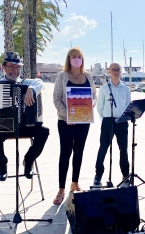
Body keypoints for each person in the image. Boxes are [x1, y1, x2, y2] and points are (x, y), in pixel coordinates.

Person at [0, 51, 50, 182]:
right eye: (11, 66)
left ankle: (28, 161)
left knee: (44, 132)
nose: (14, 70)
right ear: (4, 67)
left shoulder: (27, 82)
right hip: (4, 127)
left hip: (25, 125)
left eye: (17, 67)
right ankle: (2, 166)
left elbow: (40, 82)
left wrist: (31, 89)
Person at [53, 47, 97, 205]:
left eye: (79, 56)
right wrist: (67, 116)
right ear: (69, 59)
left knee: (79, 151)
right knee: (65, 152)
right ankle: (61, 189)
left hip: (83, 122)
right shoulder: (62, 76)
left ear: (82, 59)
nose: (77, 59)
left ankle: (75, 182)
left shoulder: (88, 76)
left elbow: (93, 95)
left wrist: (91, 103)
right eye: (74, 57)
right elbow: (56, 99)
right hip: (65, 122)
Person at [93, 62, 131, 187]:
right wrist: (105, 120)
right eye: (113, 69)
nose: (115, 72)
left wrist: (124, 118)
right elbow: (99, 107)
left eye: (118, 70)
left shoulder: (126, 89)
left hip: (122, 122)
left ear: (120, 71)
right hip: (108, 121)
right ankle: (98, 174)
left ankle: (125, 174)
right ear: (109, 71)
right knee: (103, 148)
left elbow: (128, 105)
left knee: (123, 149)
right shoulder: (104, 89)